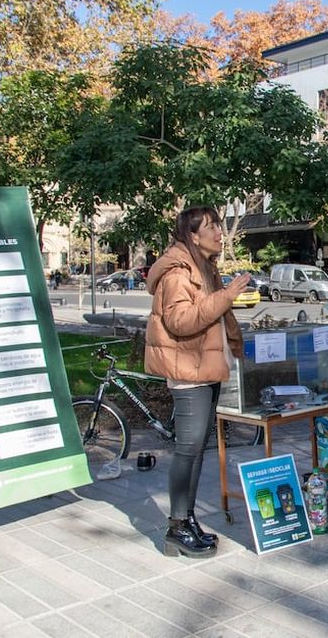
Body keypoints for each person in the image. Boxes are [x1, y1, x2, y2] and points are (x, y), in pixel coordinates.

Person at [144, 207, 250, 558]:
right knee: (187, 449)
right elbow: (181, 321)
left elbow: (217, 317)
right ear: (192, 235)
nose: (220, 232)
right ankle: (177, 527)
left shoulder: (205, 267)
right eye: (212, 226)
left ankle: (187, 519)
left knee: (196, 448)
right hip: (188, 371)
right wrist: (226, 296)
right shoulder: (178, 272)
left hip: (206, 368)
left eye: (219, 225)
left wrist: (235, 343)